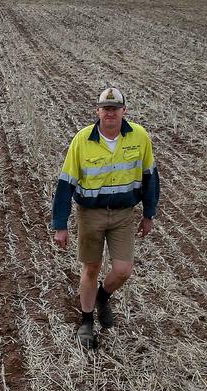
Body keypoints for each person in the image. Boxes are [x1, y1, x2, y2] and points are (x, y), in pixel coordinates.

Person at [52, 87, 160, 349]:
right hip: (90, 215)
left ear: (124, 111)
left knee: (123, 270)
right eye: (105, 108)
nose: (110, 112)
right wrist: (60, 224)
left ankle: (102, 297)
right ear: (98, 111)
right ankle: (87, 320)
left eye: (115, 108)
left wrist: (148, 214)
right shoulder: (82, 140)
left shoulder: (139, 136)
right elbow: (66, 183)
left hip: (124, 215)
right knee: (91, 268)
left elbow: (150, 176)